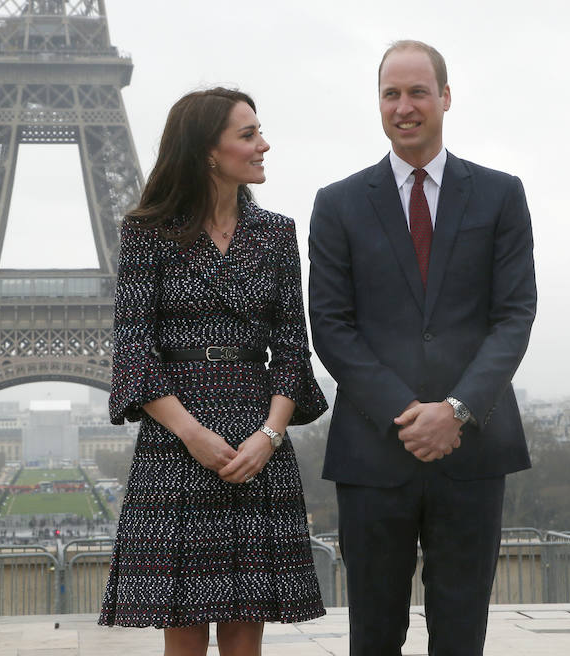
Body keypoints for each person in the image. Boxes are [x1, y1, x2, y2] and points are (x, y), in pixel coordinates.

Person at [307, 41, 536, 655]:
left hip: (473, 448)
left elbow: (514, 316)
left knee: (462, 635)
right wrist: (408, 413)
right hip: (376, 451)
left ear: (445, 97)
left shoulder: (501, 194)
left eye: (417, 92)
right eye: (391, 93)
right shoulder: (338, 204)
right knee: (374, 635)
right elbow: (330, 325)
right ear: (378, 103)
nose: (403, 106)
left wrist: (455, 411)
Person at [99, 87, 328, 655]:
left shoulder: (275, 233)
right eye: (248, 135)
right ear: (208, 151)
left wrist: (269, 437)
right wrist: (193, 434)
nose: (263, 144)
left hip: (256, 433)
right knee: (183, 627)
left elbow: (293, 350)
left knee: (247, 624)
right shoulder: (147, 232)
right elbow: (134, 350)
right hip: (179, 436)